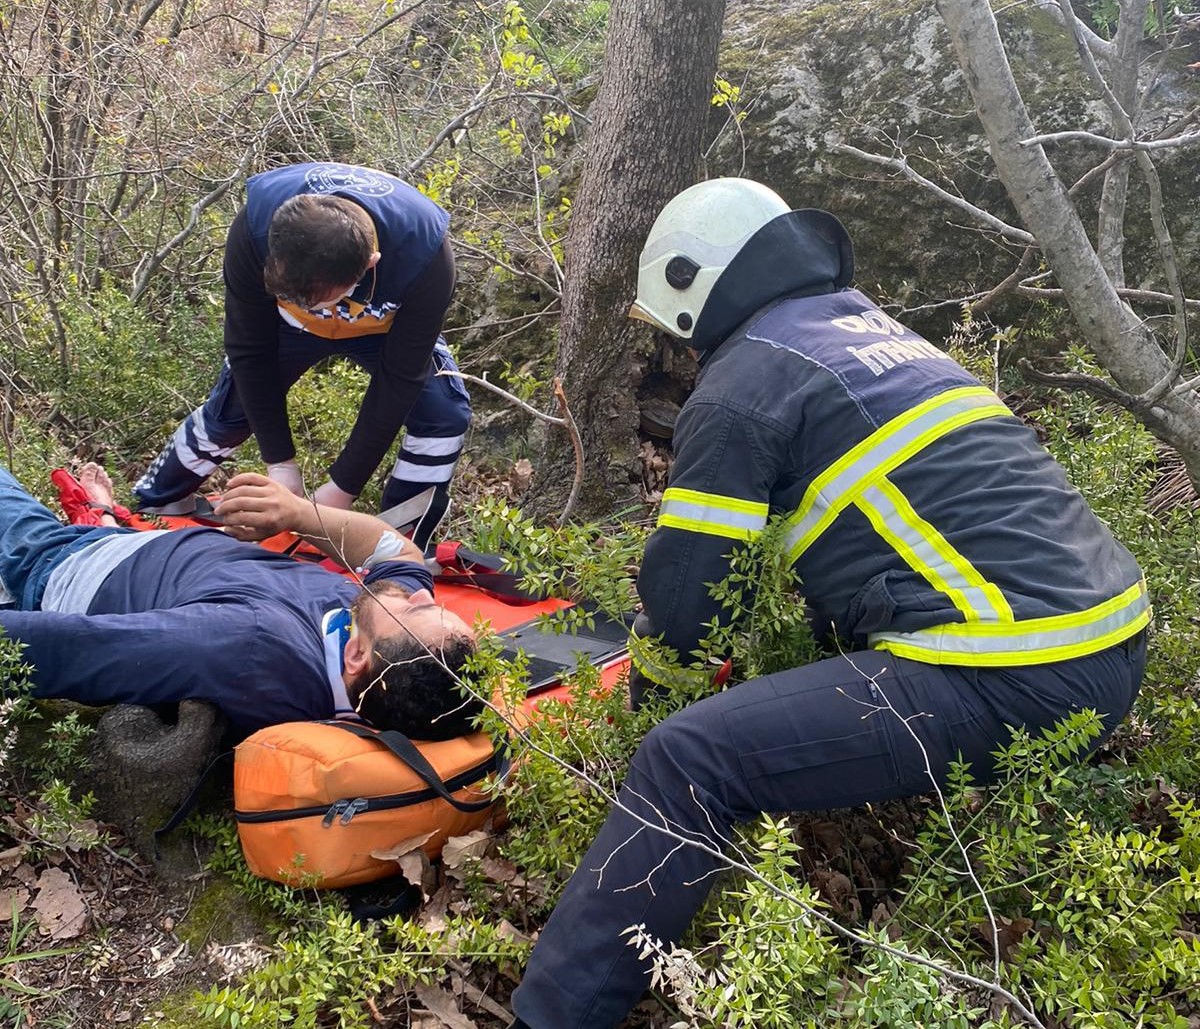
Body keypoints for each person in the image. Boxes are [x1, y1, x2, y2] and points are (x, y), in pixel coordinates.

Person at [509, 179, 1149, 1028]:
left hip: (1016, 669)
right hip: (1111, 642)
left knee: (688, 758)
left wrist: (646, 712)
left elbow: (689, 604)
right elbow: (871, 545)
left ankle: (550, 1016)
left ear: (693, 289)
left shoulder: (741, 384)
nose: (680, 350)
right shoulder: (869, 332)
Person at [0, 462, 479, 740]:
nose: (422, 593)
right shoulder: (379, 640)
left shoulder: (245, 648)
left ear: (357, 656)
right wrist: (295, 513)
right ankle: (103, 516)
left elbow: (65, 649)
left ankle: (94, 523)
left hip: (62, 567)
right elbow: (401, 555)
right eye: (434, 604)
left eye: (417, 609)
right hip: (143, 556)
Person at [134, 162, 471, 551]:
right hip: (285, 326)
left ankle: (399, 540)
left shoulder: (427, 258)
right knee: (232, 410)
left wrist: (341, 489)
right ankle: (155, 503)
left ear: (369, 264)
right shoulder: (255, 228)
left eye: (320, 301)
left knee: (443, 416)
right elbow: (249, 349)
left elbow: (401, 378)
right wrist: (280, 463)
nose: (315, 311)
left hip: (384, 327)